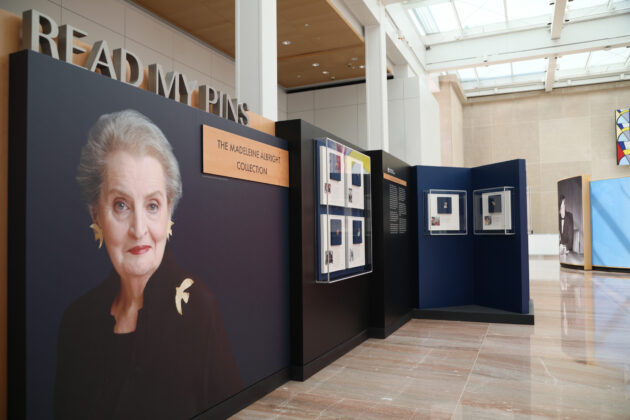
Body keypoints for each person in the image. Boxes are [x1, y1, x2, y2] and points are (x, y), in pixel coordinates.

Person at [54, 110, 242, 420]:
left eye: (152, 205)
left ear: (169, 211)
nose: (139, 229)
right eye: (121, 205)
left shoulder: (199, 311)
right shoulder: (76, 322)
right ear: (96, 215)